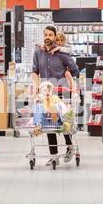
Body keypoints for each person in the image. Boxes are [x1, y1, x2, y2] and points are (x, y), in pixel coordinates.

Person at [32, 26, 80, 167]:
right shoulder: (38, 52)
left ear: (54, 37)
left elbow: (75, 70)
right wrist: (36, 85)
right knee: (49, 124)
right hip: (46, 94)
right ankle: (54, 156)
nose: (48, 37)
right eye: (46, 34)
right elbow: (35, 71)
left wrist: (66, 73)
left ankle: (69, 146)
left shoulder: (62, 54)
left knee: (63, 123)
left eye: (51, 35)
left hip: (61, 93)